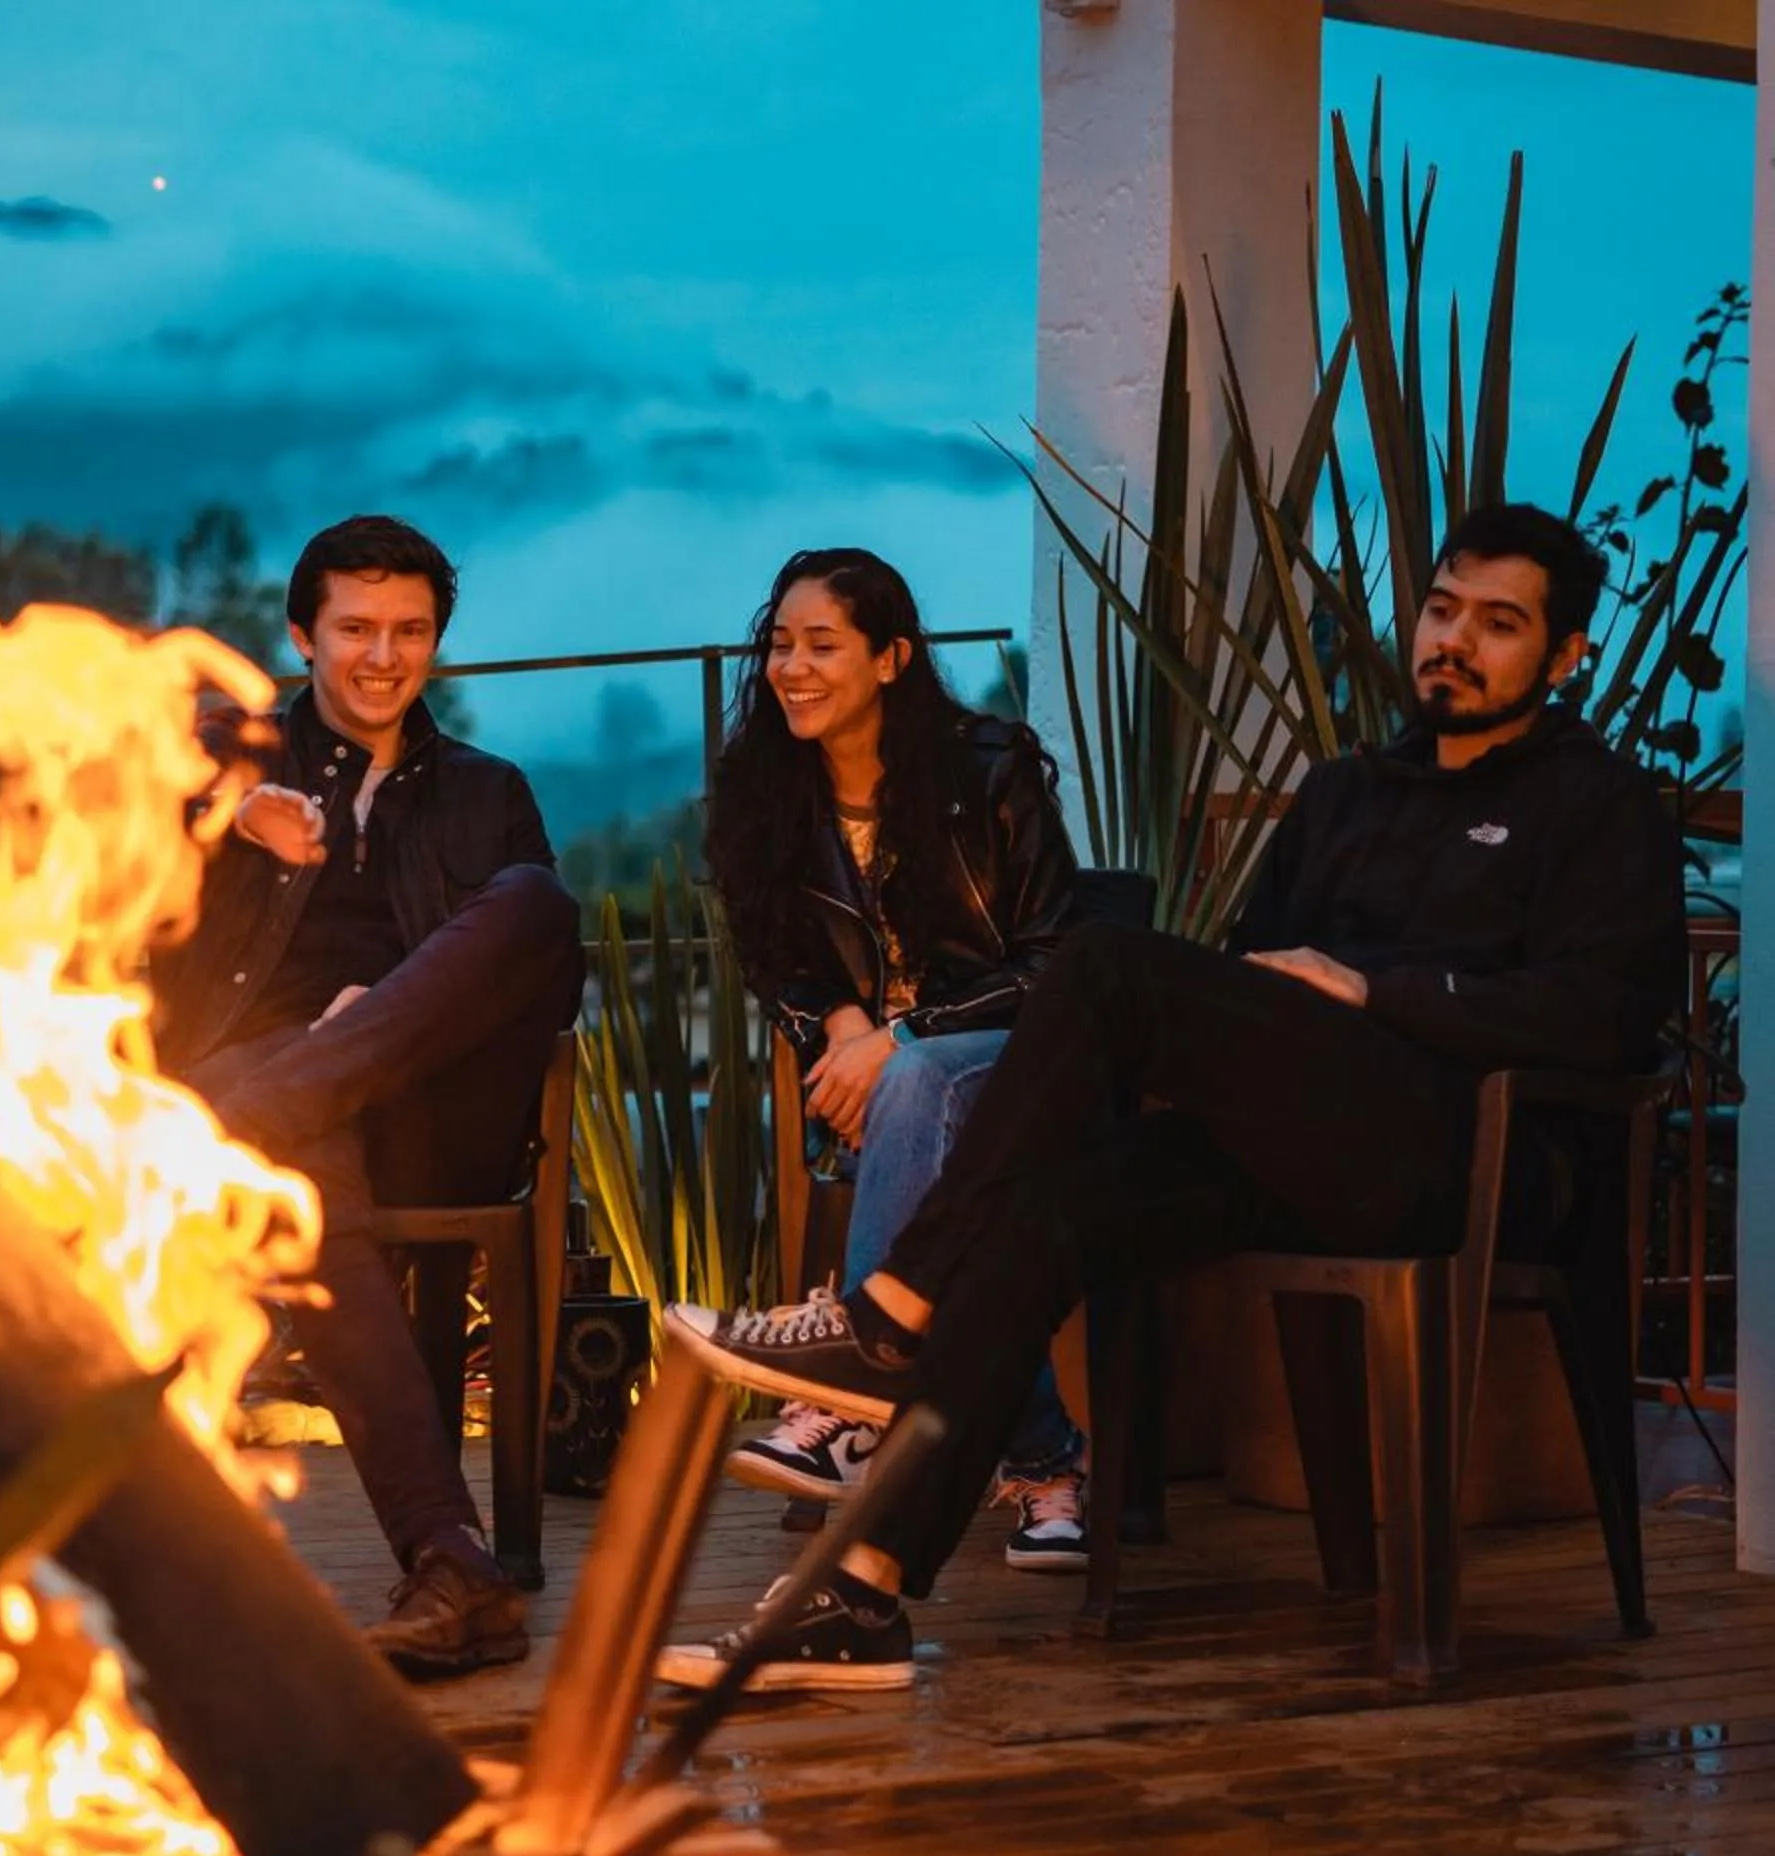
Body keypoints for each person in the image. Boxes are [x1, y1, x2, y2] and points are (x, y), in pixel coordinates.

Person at [656, 501, 1684, 1693]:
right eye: (1443, 609)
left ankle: (887, 1313)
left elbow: (1606, 1013)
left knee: (1101, 962)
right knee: (1033, 1218)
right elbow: (1252, 976)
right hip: (1297, 1145)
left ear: (1564, 656)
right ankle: (863, 1591)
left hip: (1462, 1151)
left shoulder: (1597, 803)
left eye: (1498, 624)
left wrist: (1374, 989)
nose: (1453, 640)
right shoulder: (1347, 793)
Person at [154, 514, 584, 1679]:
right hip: (271, 1093)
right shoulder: (228, 754)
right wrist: (229, 808)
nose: (383, 655)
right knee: (296, 1140)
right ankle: (455, 1562)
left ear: (436, 639)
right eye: (355, 629)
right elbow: (98, 791)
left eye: (409, 630)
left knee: (535, 900)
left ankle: (248, 1119)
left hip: (423, 1105)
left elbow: (544, 981)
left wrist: (380, 1014)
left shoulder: (487, 791)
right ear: (305, 635)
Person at [699, 547, 1088, 1576]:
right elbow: (772, 956)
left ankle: (844, 1393)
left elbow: (1055, 963)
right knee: (956, 1206)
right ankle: (1047, 1464)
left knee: (915, 1085)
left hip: (1019, 1062)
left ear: (891, 659)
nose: (792, 667)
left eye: (823, 645)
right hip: (878, 1083)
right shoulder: (763, 786)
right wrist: (835, 1023)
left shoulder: (989, 769)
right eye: (782, 644)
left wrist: (900, 1039)